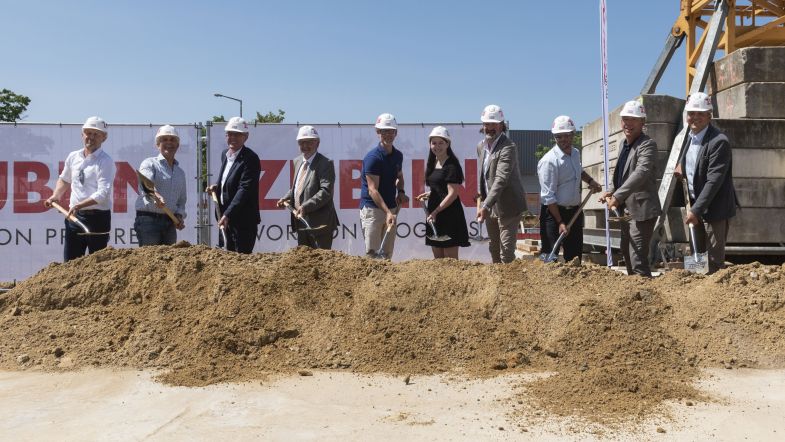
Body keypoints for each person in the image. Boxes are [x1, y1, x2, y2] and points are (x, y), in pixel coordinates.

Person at [675, 92, 739, 274]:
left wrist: (696, 211)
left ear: (709, 115)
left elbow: (714, 180)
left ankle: (715, 299)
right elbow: (691, 159)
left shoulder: (719, 142)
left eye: (700, 113)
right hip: (695, 203)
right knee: (697, 254)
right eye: (691, 113)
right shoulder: (691, 137)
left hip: (715, 209)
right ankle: (698, 296)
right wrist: (682, 165)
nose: (695, 117)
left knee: (713, 260)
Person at [600, 100, 662, 277]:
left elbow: (640, 172)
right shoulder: (623, 144)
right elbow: (622, 173)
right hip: (626, 210)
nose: (628, 123)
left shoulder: (647, 145)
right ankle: (633, 297)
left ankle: (647, 296)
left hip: (641, 210)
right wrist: (611, 190)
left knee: (637, 258)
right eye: (625, 119)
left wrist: (618, 196)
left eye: (633, 119)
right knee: (626, 253)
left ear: (642, 122)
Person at [44, 116, 115, 262]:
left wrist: (79, 205)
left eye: (96, 134)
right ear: (82, 134)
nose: (91, 137)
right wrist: (56, 196)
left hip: (98, 218)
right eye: (88, 133)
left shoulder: (106, 161)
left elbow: (103, 193)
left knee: (98, 265)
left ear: (104, 138)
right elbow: (64, 179)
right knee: (71, 263)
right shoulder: (73, 157)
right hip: (74, 217)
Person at [537, 115, 602, 263]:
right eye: (559, 137)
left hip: (574, 211)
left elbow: (578, 171)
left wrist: (591, 181)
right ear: (555, 137)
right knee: (550, 256)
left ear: (573, 134)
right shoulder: (549, 162)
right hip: (553, 214)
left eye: (567, 135)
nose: (564, 140)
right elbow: (549, 197)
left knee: (574, 257)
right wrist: (560, 222)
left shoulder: (575, 153)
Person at [476, 104, 527, 263]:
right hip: (490, 205)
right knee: (494, 248)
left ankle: (511, 287)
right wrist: (481, 201)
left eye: (493, 124)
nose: (489, 127)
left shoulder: (508, 147)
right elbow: (484, 177)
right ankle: (497, 286)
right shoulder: (481, 146)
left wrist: (485, 205)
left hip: (508, 206)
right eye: (486, 124)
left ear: (501, 125)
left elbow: (501, 179)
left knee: (506, 253)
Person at [276, 125, 339, 249]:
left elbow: (325, 192)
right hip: (301, 222)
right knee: (303, 264)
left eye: (309, 142)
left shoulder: (326, 163)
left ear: (317, 143)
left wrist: (305, 206)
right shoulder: (297, 161)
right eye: (301, 142)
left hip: (320, 225)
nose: (305, 146)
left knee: (321, 263)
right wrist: (285, 198)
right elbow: (298, 187)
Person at [205, 117, 261, 254]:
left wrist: (228, 214)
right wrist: (218, 187)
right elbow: (229, 180)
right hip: (225, 218)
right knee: (224, 259)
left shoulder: (250, 159)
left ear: (246, 136)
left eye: (237, 134)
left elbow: (245, 189)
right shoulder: (225, 154)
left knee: (240, 264)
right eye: (229, 134)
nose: (232, 137)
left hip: (242, 222)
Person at [359, 113, 409, 259]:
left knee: (386, 255)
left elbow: (399, 177)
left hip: (390, 209)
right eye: (384, 131)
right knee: (373, 255)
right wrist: (388, 212)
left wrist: (400, 191)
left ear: (396, 133)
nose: (387, 135)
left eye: (390, 131)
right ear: (378, 132)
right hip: (373, 211)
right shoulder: (373, 158)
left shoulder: (398, 155)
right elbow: (373, 190)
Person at [415, 126, 470, 259]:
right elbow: (441, 187)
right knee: (438, 260)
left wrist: (435, 212)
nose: (437, 146)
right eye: (434, 143)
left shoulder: (452, 165)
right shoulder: (433, 163)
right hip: (434, 214)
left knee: (450, 262)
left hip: (449, 215)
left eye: (441, 142)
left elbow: (452, 194)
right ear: (430, 144)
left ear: (447, 144)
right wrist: (430, 194)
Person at [134, 125, 187, 246]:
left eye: (172, 139)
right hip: (148, 221)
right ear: (157, 145)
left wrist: (178, 215)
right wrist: (156, 195)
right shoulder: (149, 163)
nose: (169, 142)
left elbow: (182, 201)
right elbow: (145, 184)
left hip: (169, 224)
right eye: (164, 139)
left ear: (177, 146)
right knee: (149, 261)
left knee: (168, 262)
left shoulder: (180, 173)